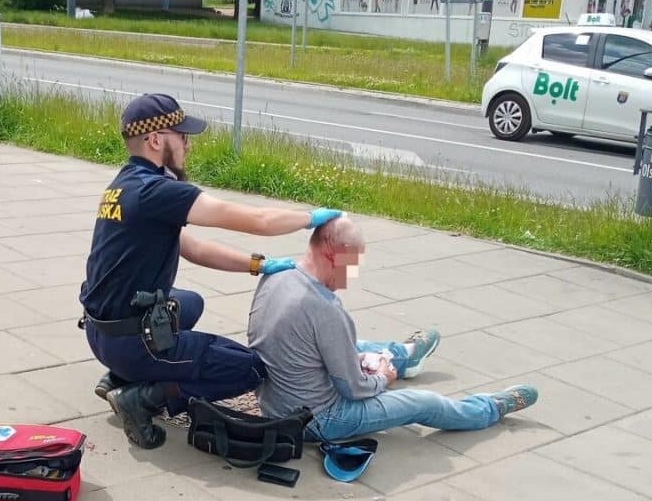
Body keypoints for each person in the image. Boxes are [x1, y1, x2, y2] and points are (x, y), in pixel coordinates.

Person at [79, 93, 343, 449]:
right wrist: (309, 218)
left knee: (190, 302)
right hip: (131, 341)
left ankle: (121, 374)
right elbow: (257, 220)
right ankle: (144, 396)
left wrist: (257, 265)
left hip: (101, 333)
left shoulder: (124, 185)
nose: (188, 145)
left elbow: (193, 248)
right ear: (155, 140)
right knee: (248, 369)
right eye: (182, 136)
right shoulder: (158, 191)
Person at [247, 215, 538, 444]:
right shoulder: (326, 309)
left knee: (356, 346)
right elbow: (354, 389)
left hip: (275, 401)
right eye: (352, 264)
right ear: (333, 254)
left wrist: (354, 362)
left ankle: (404, 355)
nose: (352, 276)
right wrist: (382, 379)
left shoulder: (278, 273)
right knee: (422, 403)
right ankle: (487, 409)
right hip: (317, 419)